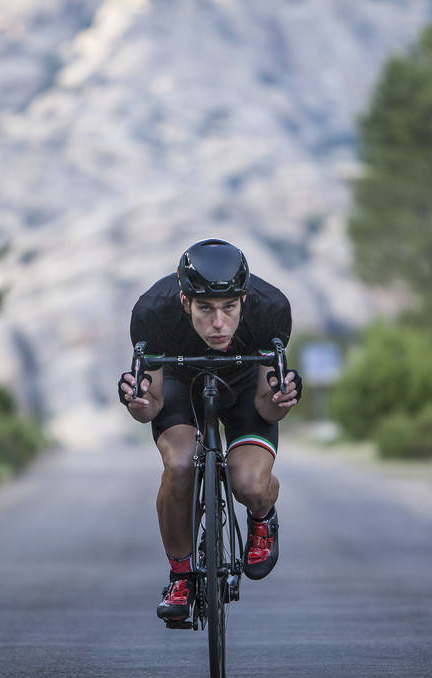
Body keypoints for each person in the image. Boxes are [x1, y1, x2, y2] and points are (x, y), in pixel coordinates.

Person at [118, 238, 302, 623]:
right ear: (185, 301)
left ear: (245, 299)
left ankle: (262, 515)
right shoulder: (153, 311)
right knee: (180, 465)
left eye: (229, 308)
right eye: (205, 309)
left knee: (249, 483)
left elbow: (267, 407)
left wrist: (281, 399)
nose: (218, 323)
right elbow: (148, 406)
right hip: (180, 380)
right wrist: (138, 402)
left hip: (245, 380)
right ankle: (181, 575)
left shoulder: (271, 309)